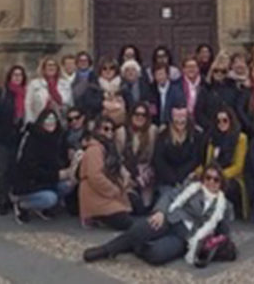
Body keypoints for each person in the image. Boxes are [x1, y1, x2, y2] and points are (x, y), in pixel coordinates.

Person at [83, 165, 234, 267]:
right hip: (171, 218)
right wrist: (161, 211)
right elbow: (170, 196)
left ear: (221, 183)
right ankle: (106, 250)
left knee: (156, 255)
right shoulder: (192, 188)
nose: (211, 182)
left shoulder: (224, 206)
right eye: (207, 178)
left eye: (216, 179)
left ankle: (134, 245)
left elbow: (224, 232)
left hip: (185, 237)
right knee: (138, 229)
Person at [12, 107, 74, 223]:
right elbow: (30, 169)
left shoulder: (58, 138)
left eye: (53, 120)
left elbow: (61, 160)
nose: (50, 123)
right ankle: (22, 205)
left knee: (68, 185)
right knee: (50, 198)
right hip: (30, 183)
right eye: (47, 121)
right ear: (41, 122)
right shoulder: (32, 140)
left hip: (48, 179)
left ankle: (43, 207)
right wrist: (56, 175)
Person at [79, 118, 135, 229]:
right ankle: (95, 217)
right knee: (126, 222)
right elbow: (95, 177)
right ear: (97, 130)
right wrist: (114, 190)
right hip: (95, 194)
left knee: (137, 206)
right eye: (105, 128)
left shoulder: (109, 148)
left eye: (112, 129)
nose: (109, 132)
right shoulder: (94, 150)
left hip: (108, 192)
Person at [0, 64, 27, 216]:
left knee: (12, 169)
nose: (17, 78)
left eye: (20, 75)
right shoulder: (2, 93)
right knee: (2, 170)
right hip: (0, 138)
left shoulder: (24, 94)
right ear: (9, 77)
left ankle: (10, 198)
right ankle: (1, 201)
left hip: (16, 138)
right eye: (15, 75)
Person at [202, 106, 249, 219]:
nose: (221, 123)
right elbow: (208, 161)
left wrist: (218, 176)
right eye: (218, 121)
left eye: (225, 120)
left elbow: (238, 167)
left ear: (231, 120)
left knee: (222, 185)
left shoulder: (241, 138)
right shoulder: (212, 138)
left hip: (232, 177)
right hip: (213, 174)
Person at [153, 106, 204, 199]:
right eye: (177, 120)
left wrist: (182, 176)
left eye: (183, 120)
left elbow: (196, 158)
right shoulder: (163, 135)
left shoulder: (196, 135)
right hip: (167, 180)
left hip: (189, 177)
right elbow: (159, 160)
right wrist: (172, 178)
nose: (180, 122)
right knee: (167, 199)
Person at [117, 102, 159, 210]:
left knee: (146, 206)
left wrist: (147, 172)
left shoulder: (152, 131)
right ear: (131, 115)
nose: (140, 117)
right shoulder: (122, 132)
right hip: (126, 174)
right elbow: (117, 158)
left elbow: (153, 157)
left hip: (145, 174)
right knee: (133, 205)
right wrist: (126, 175)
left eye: (143, 115)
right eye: (136, 114)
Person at [25, 56, 64, 124]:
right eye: (49, 65)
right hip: (38, 121)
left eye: (54, 65)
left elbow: (70, 104)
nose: (51, 67)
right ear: (43, 68)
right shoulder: (34, 84)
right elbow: (28, 105)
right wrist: (30, 122)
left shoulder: (65, 84)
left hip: (59, 121)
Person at [73, 51, 103, 121]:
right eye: (81, 60)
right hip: (76, 112)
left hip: (92, 113)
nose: (83, 63)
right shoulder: (72, 78)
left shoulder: (95, 77)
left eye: (85, 60)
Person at [97, 58, 127, 126]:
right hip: (100, 122)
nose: (108, 71)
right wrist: (103, 103)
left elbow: (130, 104)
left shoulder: (124, 86)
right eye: (104, 68)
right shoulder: (94, 86)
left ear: (116, 70)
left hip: (121, 122)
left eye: (111, 68)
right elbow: (91, 106)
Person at [180, 56, 207, 129]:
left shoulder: (206, 84)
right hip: (181, 122)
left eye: (194, 67)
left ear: (198, 69)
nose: (191, 69)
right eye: (188, 67)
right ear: (183, 69)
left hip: (202, 123)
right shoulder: (177, 85)